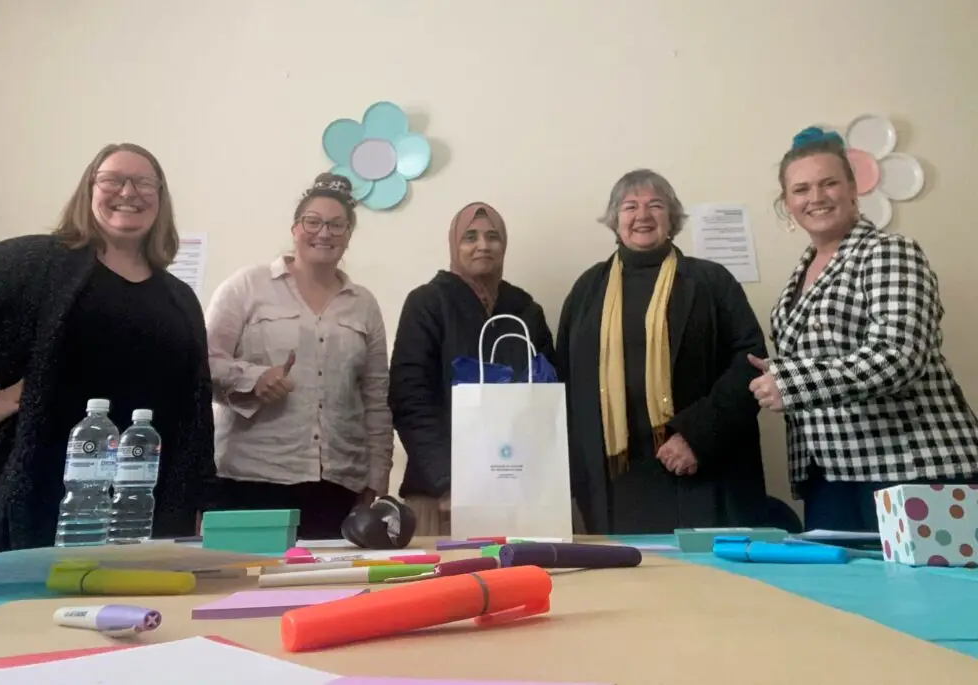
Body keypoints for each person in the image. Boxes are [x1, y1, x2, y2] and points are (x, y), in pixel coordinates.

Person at [0, 143, 216, 554]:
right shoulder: (32, 262)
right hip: (28, 502)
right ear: (88, 189)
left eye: (144, 182)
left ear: (161, 198)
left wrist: (200, 501)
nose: (128, 192)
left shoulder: (179, 297)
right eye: (113, 179)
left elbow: (196, 413)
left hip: (146, 511)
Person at [750, 128, 978, 532]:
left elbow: (899, 356)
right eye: (801, 189)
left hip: (911, 469)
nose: (816, 198)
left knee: (928, 595)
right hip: (829, 475)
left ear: (853, 189)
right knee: (838, 597)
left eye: (829, 183)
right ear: (787, 203)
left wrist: (791, 381)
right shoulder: (798, 275)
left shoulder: (889, 251)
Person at [559, 169, 768, 535]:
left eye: (655, 204)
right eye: (630, 206)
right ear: (615, 219)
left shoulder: (711, 282)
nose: (642, 215)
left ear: (671, 218)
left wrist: (696, 437)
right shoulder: (586, 290)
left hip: (698, 470)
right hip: (613, 481)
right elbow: (565, 380)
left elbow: (750, 365)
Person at [206, 173, 393, 539]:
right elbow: (203, 364)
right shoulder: (248, 286)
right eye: (313, 221)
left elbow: (377, 399)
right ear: (295, 229)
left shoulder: (364, 304)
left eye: (337, 225)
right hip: (251, 480)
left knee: (330, 592)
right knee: (246, 589)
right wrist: (253, 378)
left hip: (339, 485)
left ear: (348, 236)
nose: (324, 233)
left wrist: (376, 478)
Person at [389, 202, 557, 535]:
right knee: (446, 585)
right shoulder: (428, 303)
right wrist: (448, 483)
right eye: (470, 237)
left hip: (519, 495)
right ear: (454, 244)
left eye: (492, 236)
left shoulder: (525, 310)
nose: (482, 245)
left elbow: (548, 398)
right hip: (440, 499)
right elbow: (411, 400)